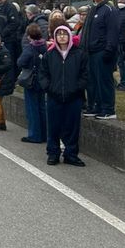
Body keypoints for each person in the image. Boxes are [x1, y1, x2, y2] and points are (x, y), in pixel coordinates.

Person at [41, 25, 89, 166]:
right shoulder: (49, 55)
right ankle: (53, 153)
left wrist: (76, 88)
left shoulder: (79, 54)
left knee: (72, 127)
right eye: (59, 34)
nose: (62, 37)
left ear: (69, 36)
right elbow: (43, 74)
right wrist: (49, 88)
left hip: (74, 97)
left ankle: (71, 154)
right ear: (55, 37)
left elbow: (85, 75)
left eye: (64, 34)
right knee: (53, 127)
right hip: (54, 97)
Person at [82, 0, 119, 120]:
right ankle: (96, 106)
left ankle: (108, 109)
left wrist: (108, 51)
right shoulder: (93, 9)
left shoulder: (109, 10)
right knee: (93, 82)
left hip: (102, 52)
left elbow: (113, 32)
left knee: (104, 81)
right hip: (90, 52)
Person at [17, 23, 47, 144]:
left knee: (32, 108)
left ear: (29, 36)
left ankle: (35, 135)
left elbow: (20, 62)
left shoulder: (30, 48)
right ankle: (45, 134)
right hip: (43, 80)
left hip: (32, 81)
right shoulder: (45, 46)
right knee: (42, 108)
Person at [0, 0, 22, 65]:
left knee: (8, 63)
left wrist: (3, 33)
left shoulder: (10, 7)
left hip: (9, 41)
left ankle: (11, 77)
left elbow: (14, 23)